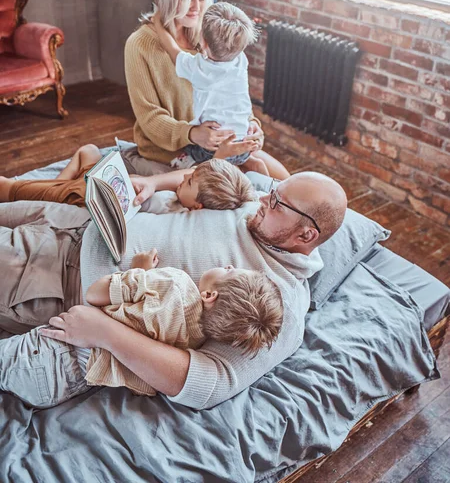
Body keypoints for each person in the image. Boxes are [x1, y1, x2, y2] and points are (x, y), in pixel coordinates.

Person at [0, 171, 347, 409]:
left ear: (306, 235)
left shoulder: (277, 301)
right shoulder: (258, 209)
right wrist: (153, 183)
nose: (263, 201)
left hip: (63, 277)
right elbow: (207, 174)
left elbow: (209, 382)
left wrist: (106, 333)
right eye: (273, 191)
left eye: (277, 204)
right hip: (83, 222)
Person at [0, 249, 283, 407]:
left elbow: (95, 294)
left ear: (210, 296)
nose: (229, 264)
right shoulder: (192, 344)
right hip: (63, 388)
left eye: (231, 271)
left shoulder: (174, 282)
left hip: (51, 350)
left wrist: (138, 271)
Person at [123, 0, 290, 180]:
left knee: (286, 181)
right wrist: (192, 134)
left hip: (221, 144)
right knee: (234, 191)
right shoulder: (140, 45)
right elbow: (150, 118)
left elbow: (233, 93)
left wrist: (251, 125)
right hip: (175, 152)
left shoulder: (210, 37)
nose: (195, 7)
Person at [153, 3, 269, 176]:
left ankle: (187, 162)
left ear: (204, 43)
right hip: (243, 141)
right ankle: (259, 176)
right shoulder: (241, 61)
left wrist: (157, 22)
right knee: (247, 161)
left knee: (188, 143)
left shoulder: (199, 68)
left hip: (212, 149)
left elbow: (173, 51)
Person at [0, 145, 255, 212]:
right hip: (95, 184)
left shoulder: (175, 212)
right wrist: (153, 182)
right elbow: (193, 175)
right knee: (88, 150)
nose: (182, 180)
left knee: (8, 187)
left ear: (198, 205)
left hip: (86, 197)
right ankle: (53, 190)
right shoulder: (194, 194)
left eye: (188, 182)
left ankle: (43, 193)